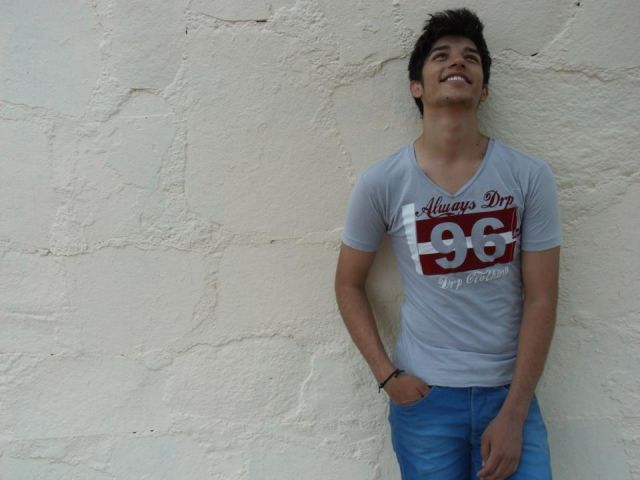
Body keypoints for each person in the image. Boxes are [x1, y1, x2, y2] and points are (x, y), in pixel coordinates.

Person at [334, 8, 560, 480]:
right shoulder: (383, 182)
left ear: (484, 88)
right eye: (441, 55)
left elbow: (542, 297)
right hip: (425, 401)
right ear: (416, 86)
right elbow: (348, 283)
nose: (458, 61)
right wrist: (387, 377)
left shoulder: (528, 176)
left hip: (508, 396)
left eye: (470, 57)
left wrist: (515, 411)